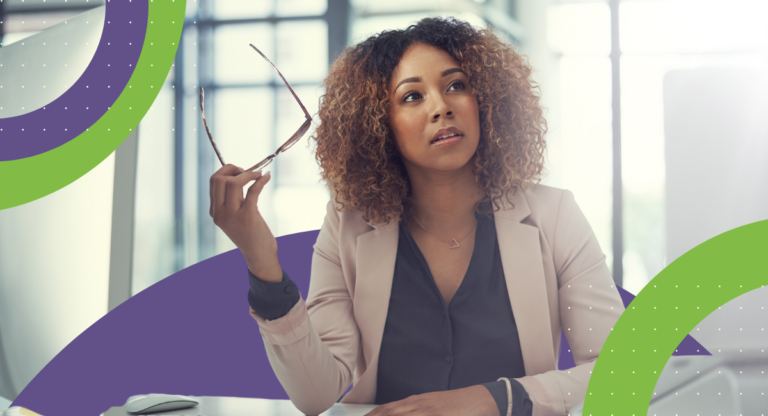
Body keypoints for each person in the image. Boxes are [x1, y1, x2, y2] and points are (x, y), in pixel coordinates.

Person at [209, 17, 624, 416]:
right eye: (412, 96)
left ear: (487, 101)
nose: (441, 107)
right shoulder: (348, 224)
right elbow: (316, 394)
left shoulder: (554, 216)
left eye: (456, 85)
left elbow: (621, 372)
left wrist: (496, 400)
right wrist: (262, 263)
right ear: (377, 124)